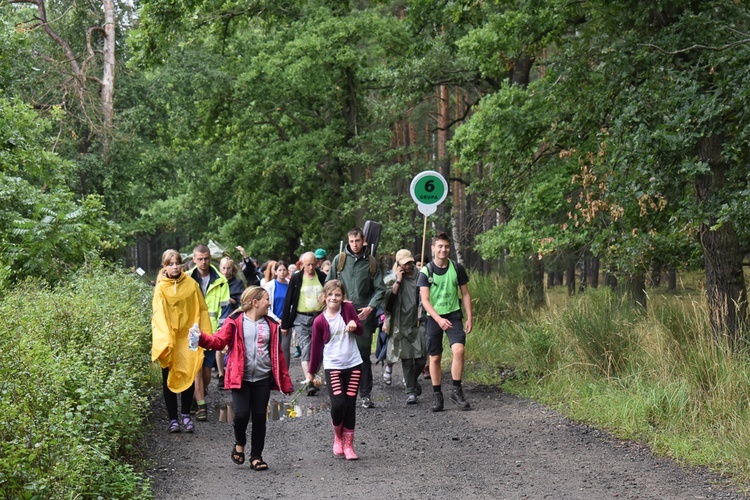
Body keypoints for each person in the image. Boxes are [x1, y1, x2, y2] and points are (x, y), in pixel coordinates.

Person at [189, 286, 293, 470]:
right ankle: (240, 442)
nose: (269, 303)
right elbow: (218, 341)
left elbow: (278, 355)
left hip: (262, 377)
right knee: (242, 414)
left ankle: (256, 456)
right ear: (255, 302)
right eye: (266, 299)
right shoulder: (235, 321)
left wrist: (284, 380)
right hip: (240, 377)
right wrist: (201, 338)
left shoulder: (271, 324)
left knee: (260, 416)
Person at [152, 249, 213, 433]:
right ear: (165, 266)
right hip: (169, 340)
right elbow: (158, 315)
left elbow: (200, 309)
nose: (174, 266)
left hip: (187, 339)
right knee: (169, 377)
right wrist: (164, 339)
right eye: (170, 264)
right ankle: (173, 419)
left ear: (182, 264)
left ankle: (186, 414)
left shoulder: (191, 284)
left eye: (177, 263)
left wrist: (203, 335)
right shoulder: (161, 288)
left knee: (189, 373)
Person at [327, 228, 386, 408]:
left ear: (363, 240)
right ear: (348, 241)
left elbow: (380, 289)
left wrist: (371, 307)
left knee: (363, 355)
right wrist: (339, 299)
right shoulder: (340, 260)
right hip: (341, 313)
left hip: (363, 315)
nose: (354, 245)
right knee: (339, 352)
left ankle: (365, 394)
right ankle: (341, 392)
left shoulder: (372, 262)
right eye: (352, 241)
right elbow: (328, 285)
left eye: (358, 241)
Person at [417, 232, 474, 412]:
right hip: (434, 317)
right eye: (440, 246)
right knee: (435, 357)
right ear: (433, 248)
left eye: (446, 246)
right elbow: (425, 300)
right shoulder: (426, 271)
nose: (443, 250)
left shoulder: (456, 268)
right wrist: (438, 319)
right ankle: (437, 394)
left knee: (459, 350)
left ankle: (456, 390)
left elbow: (465, 293)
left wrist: (470, 316)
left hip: (453, 314)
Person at [306, 280, 363, 460]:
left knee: (350, 405)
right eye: (330, 295)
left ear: (342, 297)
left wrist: (354, 324)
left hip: (353, 364)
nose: (334, 298)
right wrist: (311, 372)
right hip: (333, 367)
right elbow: (315, 348)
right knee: (338, 404)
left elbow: (361, 330)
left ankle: (348, 445)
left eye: (338, 295)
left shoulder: (347, 309)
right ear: (324, 297)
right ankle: (337, 434)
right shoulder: (319, 321)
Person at [189, 244, 232, 421]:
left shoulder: (220, 280)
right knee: (197, 369)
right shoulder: (188, 279)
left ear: (210, 258)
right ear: (194, 259)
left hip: (212, 333)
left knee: (207, 372)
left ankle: (197, 396)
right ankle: (201, 406)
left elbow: (225, 310)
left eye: (206, 258)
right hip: (193, 332)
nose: (203, 262)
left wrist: (222, 334)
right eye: (200, 259)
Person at [383, 249, 426, 404]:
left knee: (421, 359)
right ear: (399, 264)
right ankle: (411, 391)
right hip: (401, 324)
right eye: (405, 263)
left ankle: (412, 382)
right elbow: (388, 303)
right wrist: (398, 281)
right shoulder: (391, 279)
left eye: (410, 262)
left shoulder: (421, 275)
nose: (408, 265)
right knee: (407, 359)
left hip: (419, 321)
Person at [280, 251, 327, 395]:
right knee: (306, 349)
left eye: (313, 264)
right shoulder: (296, 278)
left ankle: (311, 377)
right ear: (302, 264)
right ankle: (310, 382)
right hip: (301, 319)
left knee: (319, 352)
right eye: (308, 265)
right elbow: (289, 301)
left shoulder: (322, 277)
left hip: (319, 318)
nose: (311, 267)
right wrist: (285, 324)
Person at [217, 257, 245, 389]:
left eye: (228, 268)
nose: (226, 271)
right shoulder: (216, 282)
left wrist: (230, 300)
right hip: (219, 318)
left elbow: (241, 302)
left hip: (234, 318)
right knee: (220, 346)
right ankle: (221, 375)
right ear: (220, 268)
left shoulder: (237, 283)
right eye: (223, 268)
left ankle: (232, 372)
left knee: (233, 346)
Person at [264, 260, 290, 366]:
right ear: (275, 272)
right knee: (273, 347)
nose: (282, 272)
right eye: (280, 270)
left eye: (284, 270)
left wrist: (286, 320)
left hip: (287, 321)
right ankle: (273, 372)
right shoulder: (270, 285)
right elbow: (267, 305)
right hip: (273, 321)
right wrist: (276, 319)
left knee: (285, 347)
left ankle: (286, 373)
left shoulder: (290, 284)